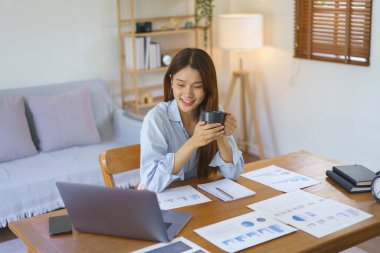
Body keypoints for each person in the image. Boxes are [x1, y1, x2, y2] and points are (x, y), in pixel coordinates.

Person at [139, 48, 244, 193]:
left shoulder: (213, 113)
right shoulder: (156, 119)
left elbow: (234, 173)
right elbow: (151, 182)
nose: (188, 94)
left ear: (207, 88)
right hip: (160, 201)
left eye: (197, 86)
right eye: (181, 85)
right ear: (171, 81)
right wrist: (193, 143)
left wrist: (220, 134)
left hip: (198, 200)